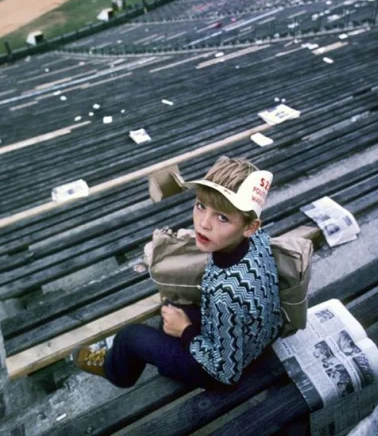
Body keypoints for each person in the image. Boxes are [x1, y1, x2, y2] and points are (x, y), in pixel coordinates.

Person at [74, 156, 283, 389]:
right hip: (255, 336)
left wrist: (186, 331)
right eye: (201, 206)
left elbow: (226, 372)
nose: (203, 224)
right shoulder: (259, 240)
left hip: (216, 370)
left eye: (222, 217)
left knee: (130, 337)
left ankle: (116, 372)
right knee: (174, 307)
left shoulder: (226, 294)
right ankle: (167, 350)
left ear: (249, 227)